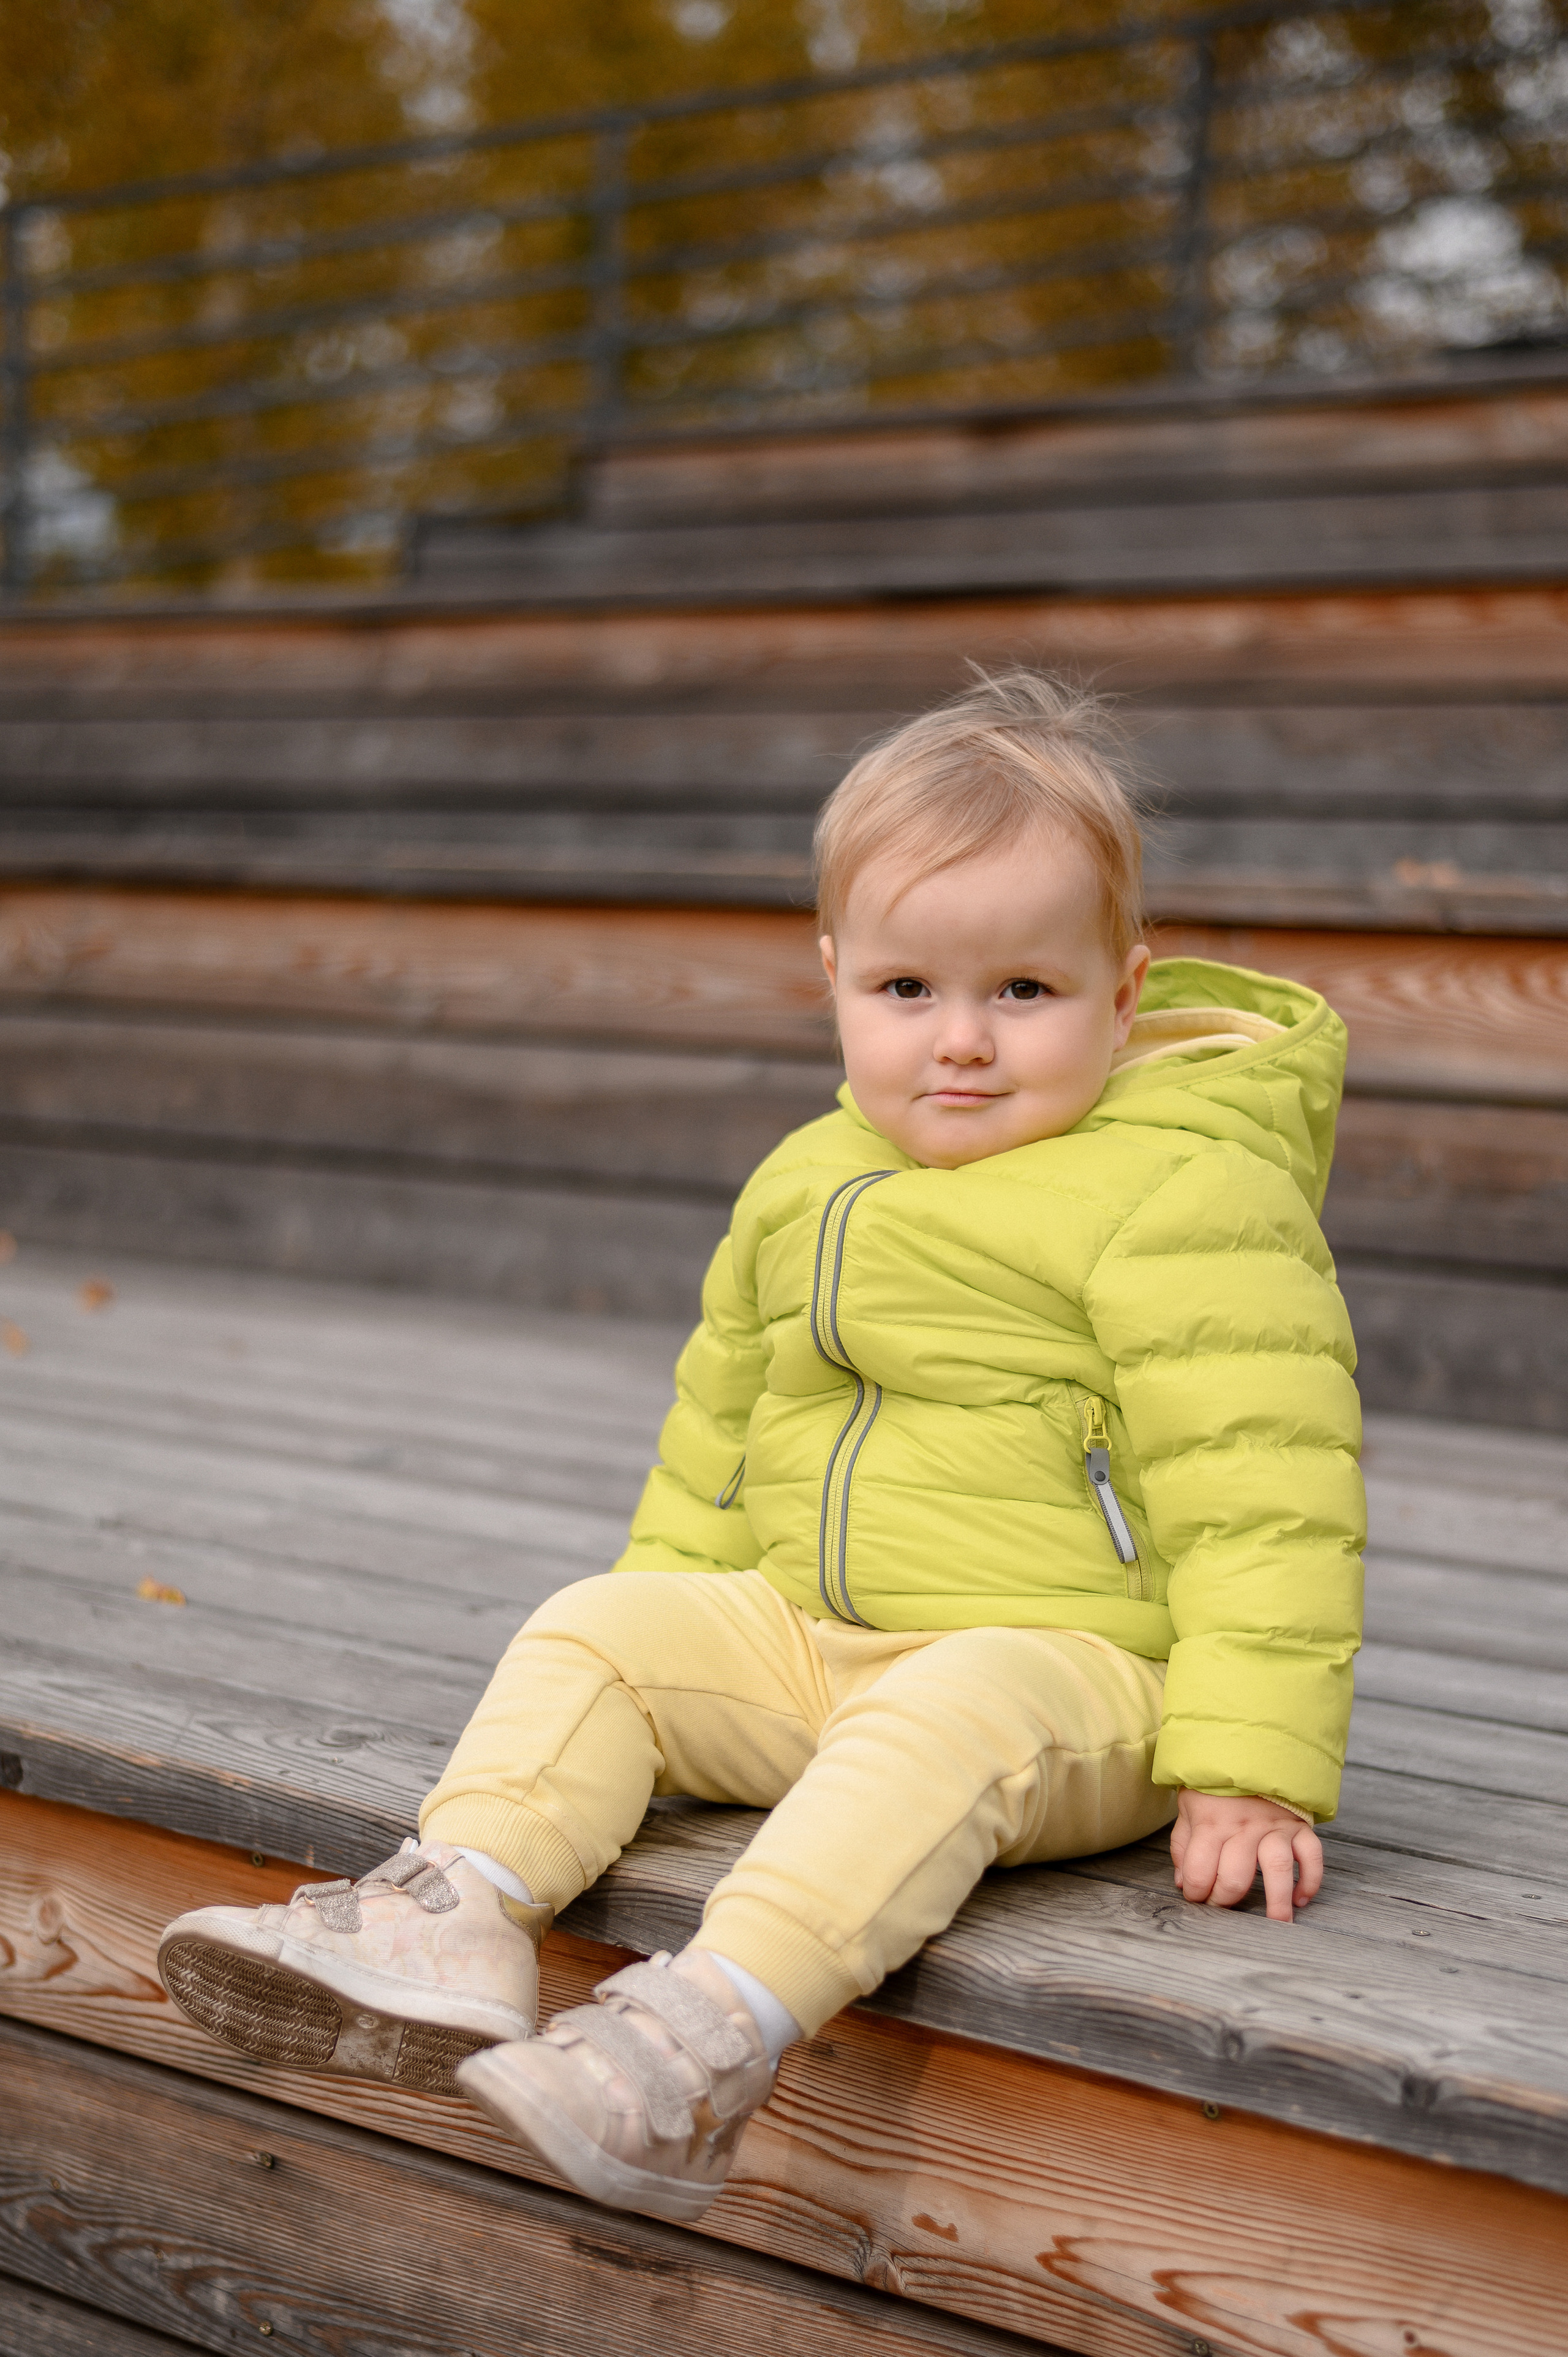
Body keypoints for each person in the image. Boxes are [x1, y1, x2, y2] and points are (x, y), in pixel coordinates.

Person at [158, 670, 1364, 2227]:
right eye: (907, 990)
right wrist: (666, 1663)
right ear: (834, 979)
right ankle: (454, 1911)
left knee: (948, 1711)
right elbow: (717, 1440)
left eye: (1023, 991)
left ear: (1123, 995)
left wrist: (1248, 1767)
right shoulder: (806, 1177)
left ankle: (701, 2037)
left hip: (1076, 1669)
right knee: (595, 1623)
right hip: (812, 1640)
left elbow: (1271, 1491)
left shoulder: (1186, 1193)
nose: (963, 1042)